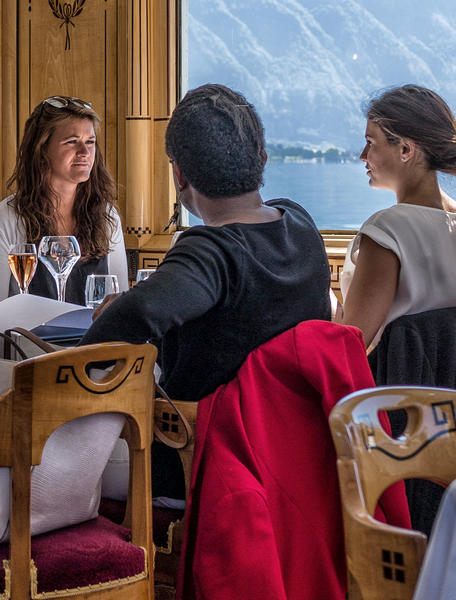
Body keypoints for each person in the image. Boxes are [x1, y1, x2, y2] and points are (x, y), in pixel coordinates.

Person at [81, 84, 333, 502]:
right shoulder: (300, 225)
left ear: (179, 175)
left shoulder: (213, 250)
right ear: (262, 159)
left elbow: (142, 312)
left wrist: (72, 371)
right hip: (293, 460)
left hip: (199, 466)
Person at [339, 84, 456, 532]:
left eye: (371, 141)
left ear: (405, 148)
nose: (362, 154)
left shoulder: (388, 230)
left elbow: (351, 345)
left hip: (392, 430)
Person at [0, 95, 128, 313]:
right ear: (42, 148)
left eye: (90, 142)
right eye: (72, 142)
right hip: (28, 348)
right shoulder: (3, 222)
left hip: (94, 346)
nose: (84, 152)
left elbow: (119, 308)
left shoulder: (107, 217)